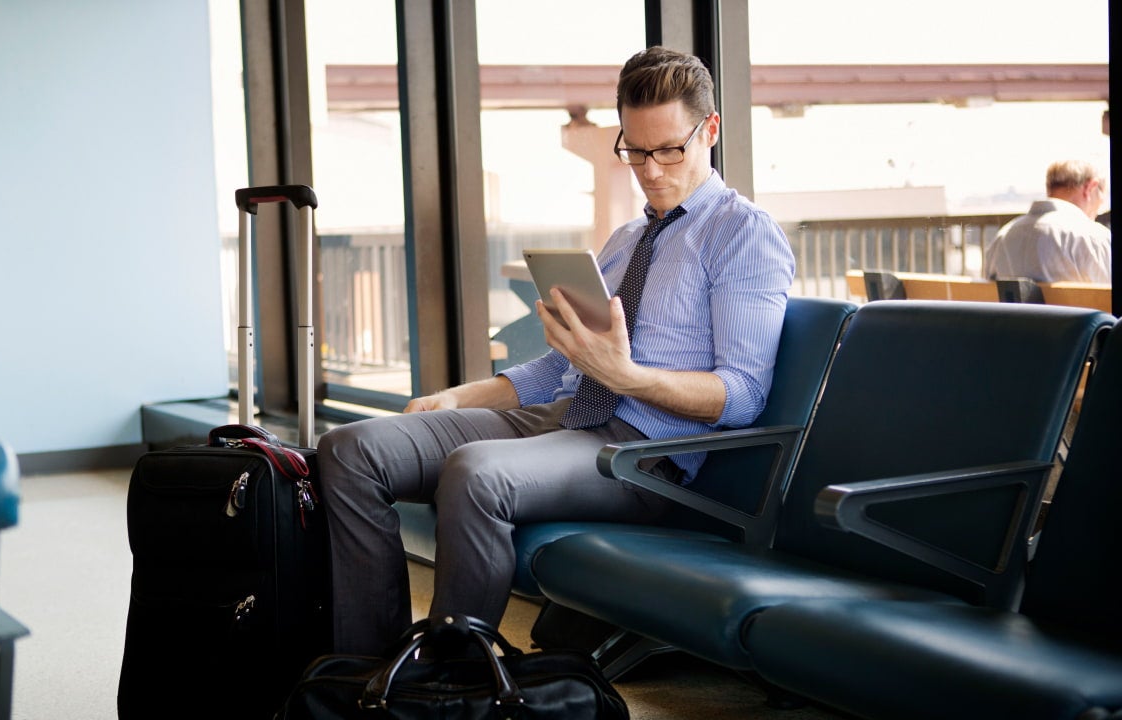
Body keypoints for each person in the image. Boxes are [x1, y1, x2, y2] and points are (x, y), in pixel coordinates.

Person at [316, 46, 796, 655]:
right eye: (635, 150)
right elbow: (556, 369)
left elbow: (744, 395)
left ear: (711, 131)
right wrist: (457, 396)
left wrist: (627, 375)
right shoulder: (626, 240)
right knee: (351, 450)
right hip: (562, 418)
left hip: (640, 453)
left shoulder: (743, 233)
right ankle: (370, 669)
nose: (650, 170)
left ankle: (449, 682)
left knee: (476, 472)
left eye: (669, 150)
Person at [984, 160, 1112, 283]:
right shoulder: (1094, 237)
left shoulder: (1001, 238)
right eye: (1102, 197)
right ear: (1090, 188)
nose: (1099, 210)